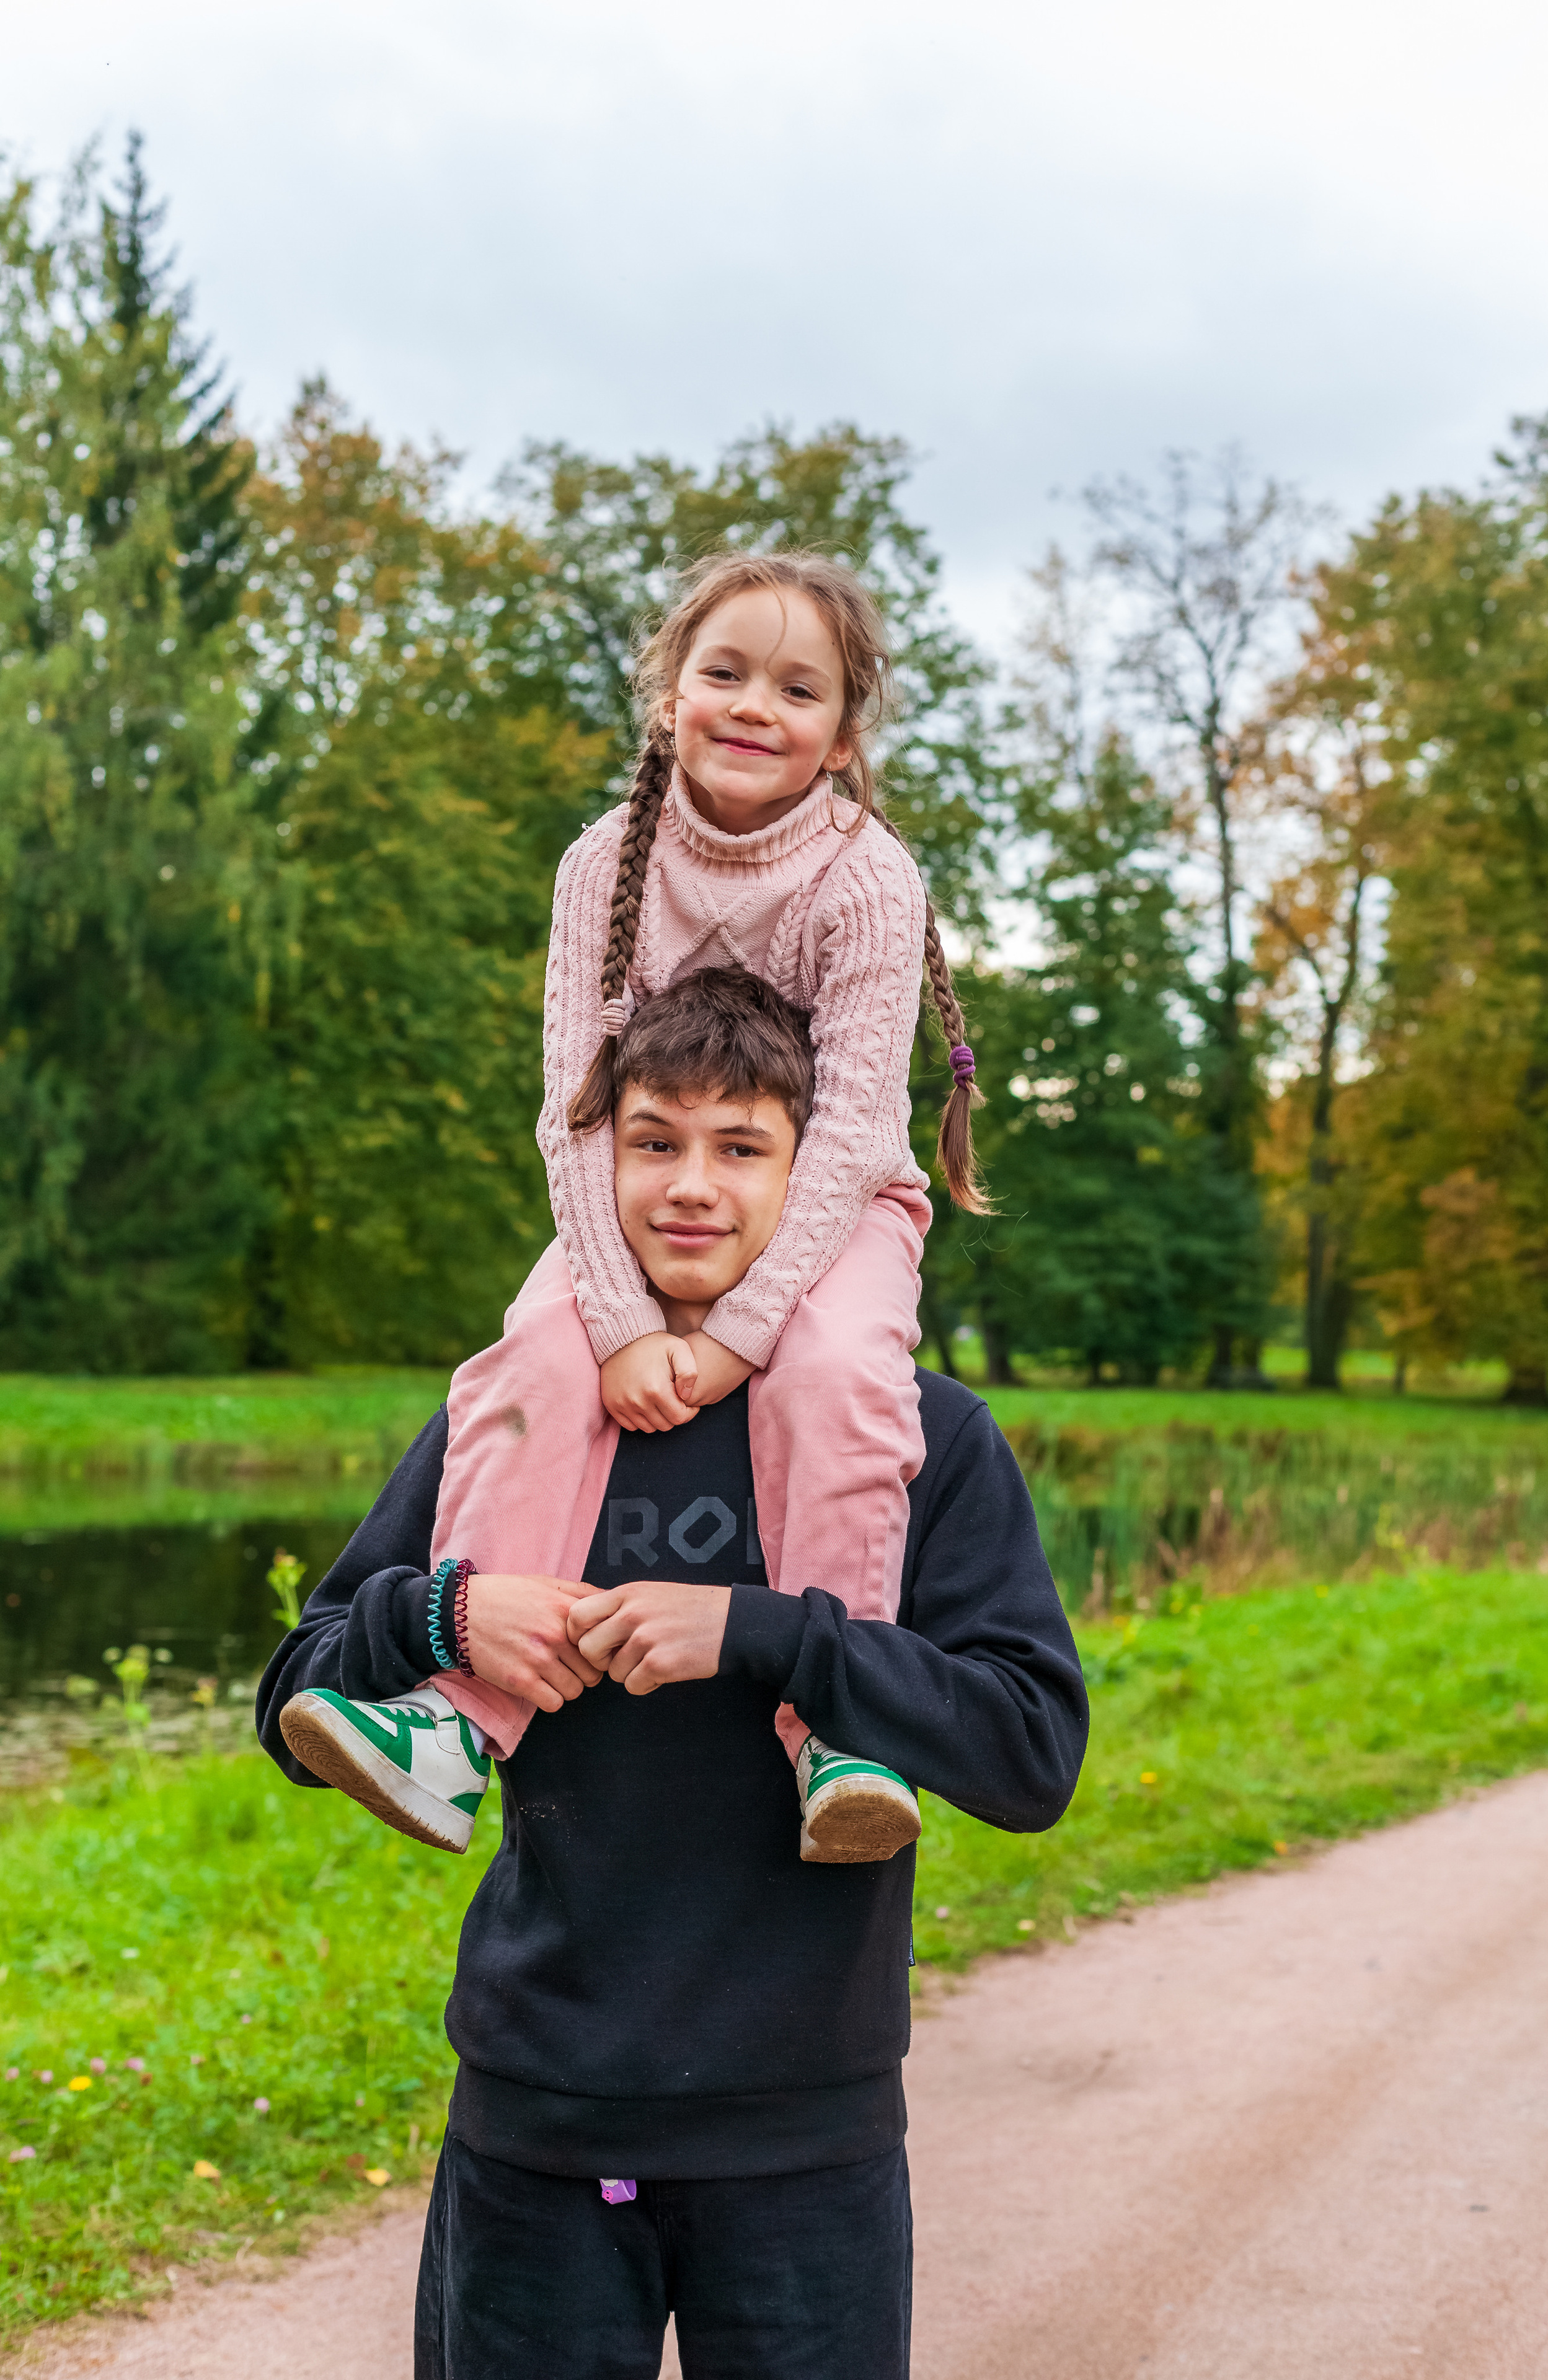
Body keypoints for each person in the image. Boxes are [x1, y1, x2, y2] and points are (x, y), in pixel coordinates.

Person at [257, 969, 1088, 2380]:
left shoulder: (911, 1434)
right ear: (601, 1161)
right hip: (534, 2125)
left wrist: (763, 1635)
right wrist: (448, 1615)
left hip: (800, 2145)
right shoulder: (517, 1412)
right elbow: (294, 1697)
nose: (690, 1188)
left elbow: (1028, 1751)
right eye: (653, 1141)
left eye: (740, 1146)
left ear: (808, 1175)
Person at [278, 549, 992, 1866]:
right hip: (631, 1199)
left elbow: (837, 1141)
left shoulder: (866, 879)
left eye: (797, 687)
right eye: (722, 671)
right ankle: (454, 1719)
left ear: (842, 736)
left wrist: (731, 1340)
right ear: (666, 695)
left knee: (832, 1371)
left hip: (837, 1203)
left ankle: (839, 1726)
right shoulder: (601, 863)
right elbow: (579, 1113)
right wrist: (614, 1328)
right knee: (532, 1356)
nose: (753, 705)